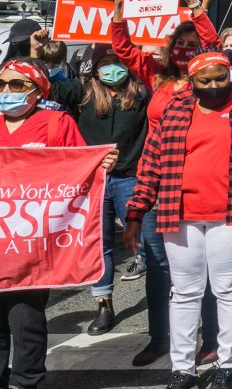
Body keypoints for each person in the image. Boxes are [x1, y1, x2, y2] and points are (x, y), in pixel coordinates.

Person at [124, 50, 232, 389]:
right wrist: (136, 211)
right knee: (184, 293)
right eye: (204, 81)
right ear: (191, 81)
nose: (213, 86)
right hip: (179, 213)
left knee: (228, 289)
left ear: (230, 74)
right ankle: (182, 370)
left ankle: (228, 367)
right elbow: (151, 162)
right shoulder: (175, 109)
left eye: (220, 79)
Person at [110, 0, 222, 366]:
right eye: (182, 44)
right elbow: (122, 47)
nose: (188, 50)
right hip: (157, 183)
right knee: (158, 269)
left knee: (199, 271)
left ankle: (211, 340)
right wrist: (121, 4)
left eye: (194, 46)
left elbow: (214, 45)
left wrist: (193, 3)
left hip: (196, 182)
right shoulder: (157, 77)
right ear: (171, 47)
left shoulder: (207, 82)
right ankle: (159, 338)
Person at [0, 58, 117, 389]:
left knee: (25, 320)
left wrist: (101, 161)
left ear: (38, 91)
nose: (7, 91)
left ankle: (26, 381)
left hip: (30, 243)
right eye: (1, 84)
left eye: (17, 85)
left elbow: (79, 171)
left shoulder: (55, 123)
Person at [29, 34, 152, 339]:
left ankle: (163, 300)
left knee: (149, 240)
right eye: (105, 64)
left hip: (130, 178)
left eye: (117, 63)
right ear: (94, 69)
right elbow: (41, 83)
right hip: (92, 182)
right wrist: (36, 51)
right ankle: (104, 305)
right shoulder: (82, 92)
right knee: (101, 245)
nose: (112, 69)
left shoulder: (142, 93)